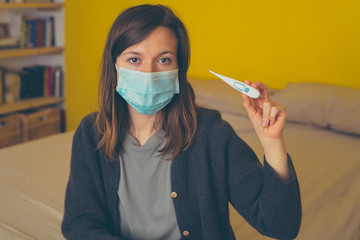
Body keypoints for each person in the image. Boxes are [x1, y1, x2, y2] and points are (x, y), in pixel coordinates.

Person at [61, 4, 301, 240]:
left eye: (163, 60)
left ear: (178, 69)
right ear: (114, 67)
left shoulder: (211, 134)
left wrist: (272, 143)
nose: (149, 73)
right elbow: (79, 225)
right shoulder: (90, 133)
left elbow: (281, 226)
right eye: (134, 60)